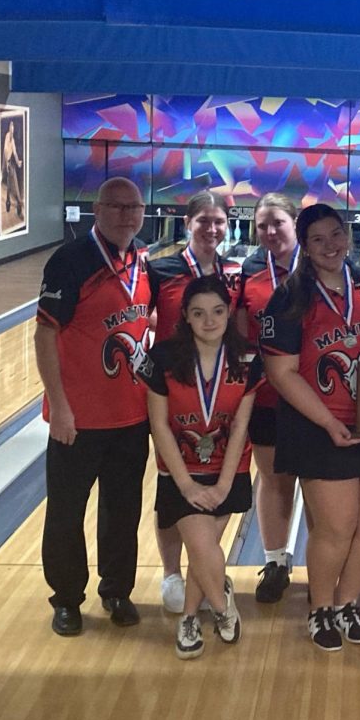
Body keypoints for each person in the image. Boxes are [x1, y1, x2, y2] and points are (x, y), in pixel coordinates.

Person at [260, 203, 360, 651]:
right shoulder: (288, 296)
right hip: (319, 428)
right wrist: (328, 423)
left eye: (336, 235)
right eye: (318, 239)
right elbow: (281, 373)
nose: (330, 246)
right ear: (304, 245)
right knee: (336, 527)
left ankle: (347, 602)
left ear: (348, 236)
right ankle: (320, 607)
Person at [34, 177, 151, 637]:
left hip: (131, 416)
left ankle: (117, 591)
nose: (126, 214)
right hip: (77, 420)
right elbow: (45, 336)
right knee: (66, 512)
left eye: (134, 207)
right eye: (116, 206)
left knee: (122, 511)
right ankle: (66, 599)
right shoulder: (70, 260)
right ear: (97, 210)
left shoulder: (143, 259)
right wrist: (59, 406)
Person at [139, 276, 256, 659]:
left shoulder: (248, 360)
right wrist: (187, 485)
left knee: (203, 551)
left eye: (218, 311)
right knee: (202, 544)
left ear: (228, 314)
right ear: (185, 317)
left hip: (229, 470)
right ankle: (222, 607)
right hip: (180, 471)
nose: (210, 321)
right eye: (199, 313)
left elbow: (240, 425)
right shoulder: (164, 360)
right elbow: (159, 425)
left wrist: (224, 484)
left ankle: (189, 615)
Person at [146, 191, 243, 614]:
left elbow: (238, 327)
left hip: (219, 389)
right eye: (203, 220)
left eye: (219, 221)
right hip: (171, 388)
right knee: (170, 489)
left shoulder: (235, 272)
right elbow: (137, 315)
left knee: (215, 489)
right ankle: (172, 573)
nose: (212, 229)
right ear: (187, 222)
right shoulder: (161, 269)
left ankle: (205, 568)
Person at [236, 192, 301, 603]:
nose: (270, 232)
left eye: (278, 222)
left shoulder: (317, 265)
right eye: (262, 225)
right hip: (266, 396)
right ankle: (276, 562)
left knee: (316, 483)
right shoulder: (250, 269)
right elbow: (242, 332)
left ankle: (327, 563)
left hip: (315, 395)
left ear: (294, 223)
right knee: (274, 479)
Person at [3, 121, 24, 219]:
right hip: (6, 161)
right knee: (9, 183)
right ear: (9, 129)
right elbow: (6, 150)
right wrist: (6, 162)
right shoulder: (7, 137)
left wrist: (18, 161)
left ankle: (17, 202)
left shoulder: (13, 139)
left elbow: (14, 152)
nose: (12, 132)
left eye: (13, 130)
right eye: (11, 130)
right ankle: (12, 201)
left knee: (13, 182)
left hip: (10, 162)